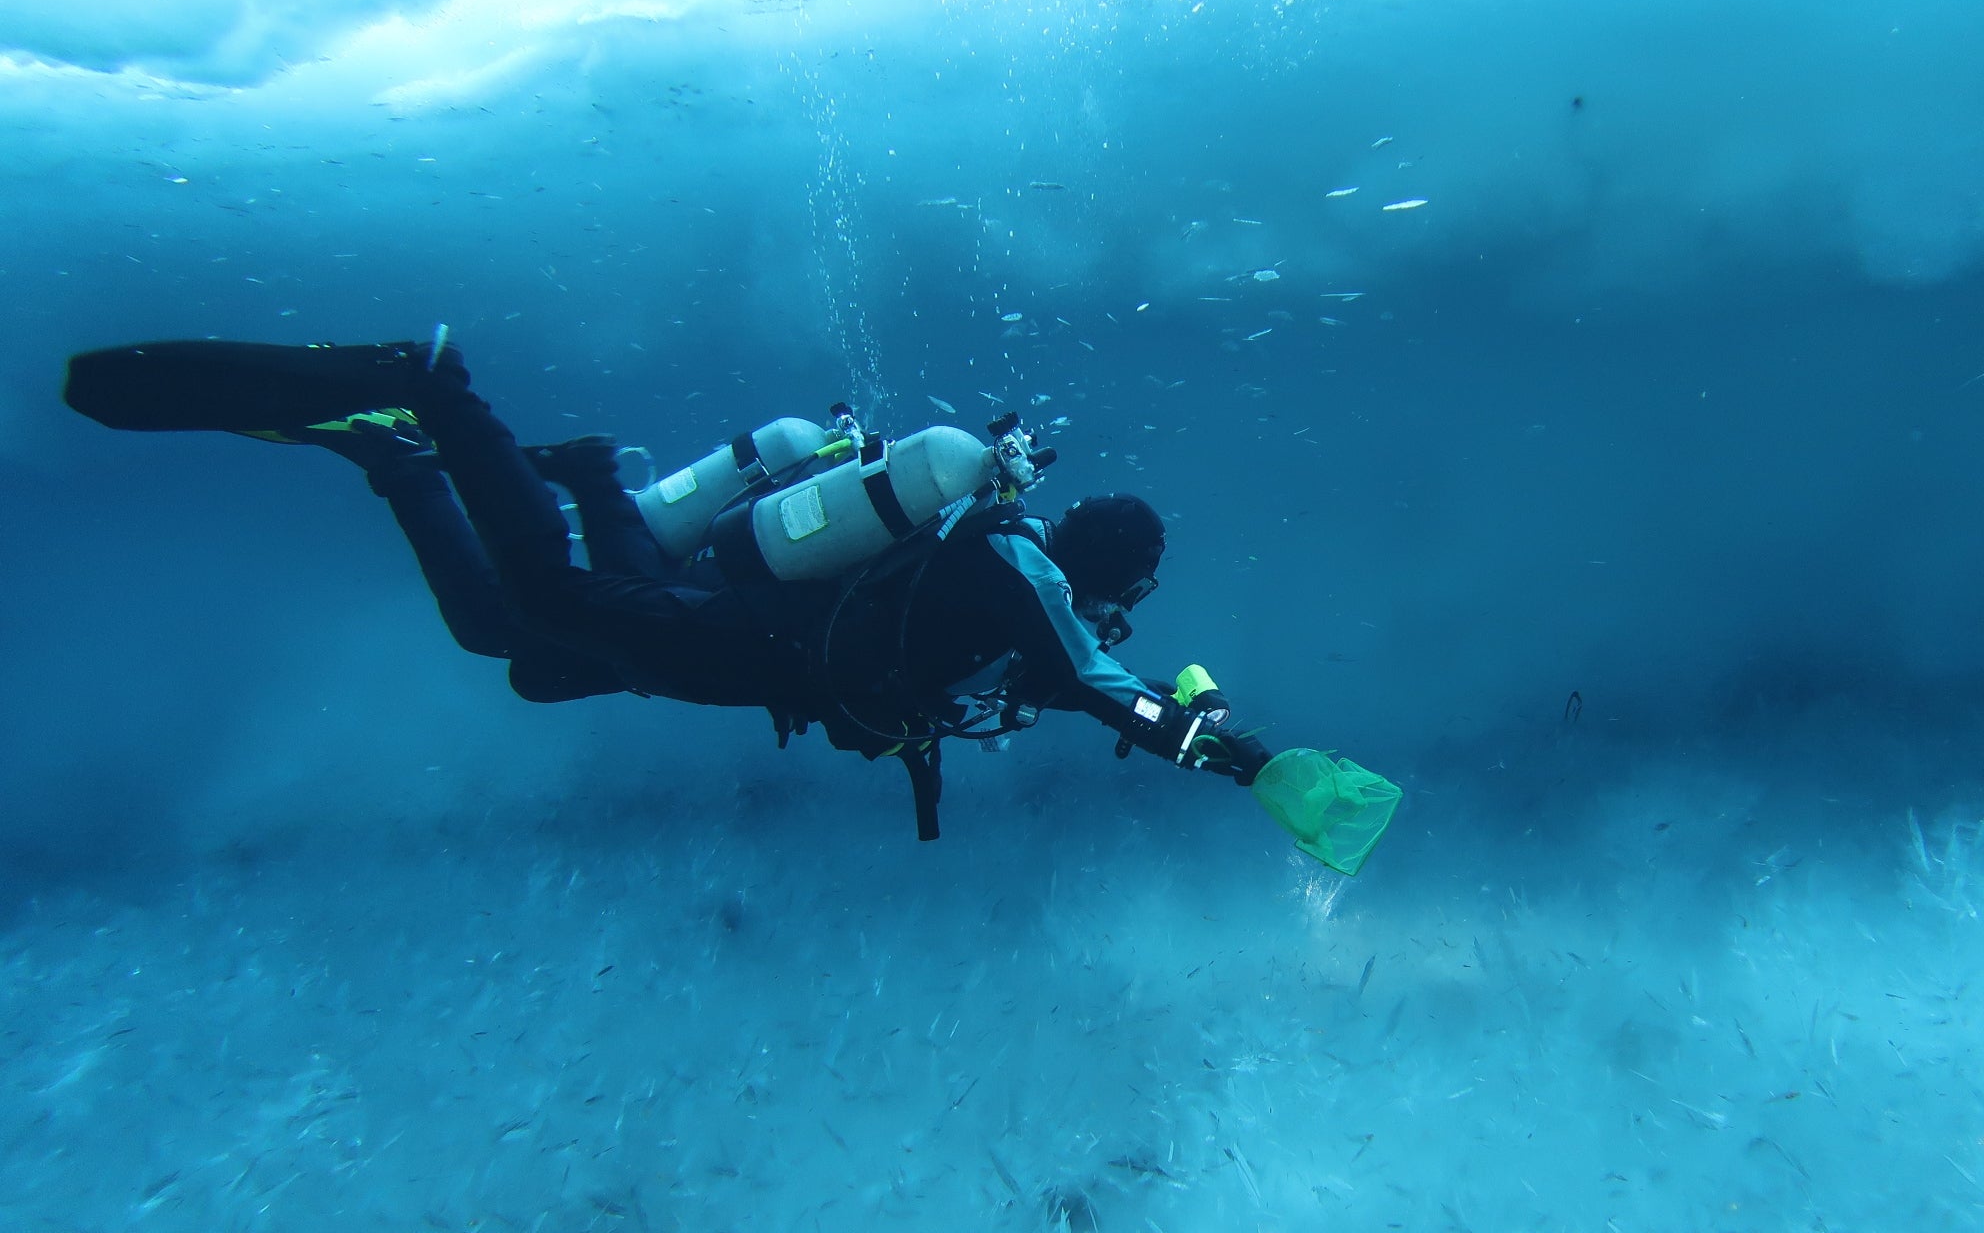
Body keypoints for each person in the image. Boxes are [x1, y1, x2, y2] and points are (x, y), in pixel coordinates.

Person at [63, 334, 1274, 838]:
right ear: (1112, 566)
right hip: (741, 644)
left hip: (739, 634)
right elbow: (1102, 685)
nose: (1129, 605)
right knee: (528, 604)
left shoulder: (1010, 574)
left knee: (524, 651)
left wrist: (1172, 702)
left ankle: (501, 465)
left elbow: (1080, 682)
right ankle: (435, 392)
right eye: (1138, 585)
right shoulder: (1017, 570)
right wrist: (1238, 758)